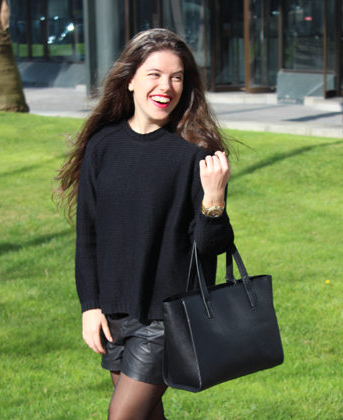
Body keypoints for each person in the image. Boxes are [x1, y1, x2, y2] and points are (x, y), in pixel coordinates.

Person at [55, 28, 234, 420]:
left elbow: (211, 247)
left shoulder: (195, 153)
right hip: (115, 314)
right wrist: (90, 306)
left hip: (167, 317)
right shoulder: (102, 146)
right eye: (155, 74)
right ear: (131, 79)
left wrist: (214, 199)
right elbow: (88, 237)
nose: (166, 86)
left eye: (176, 77)